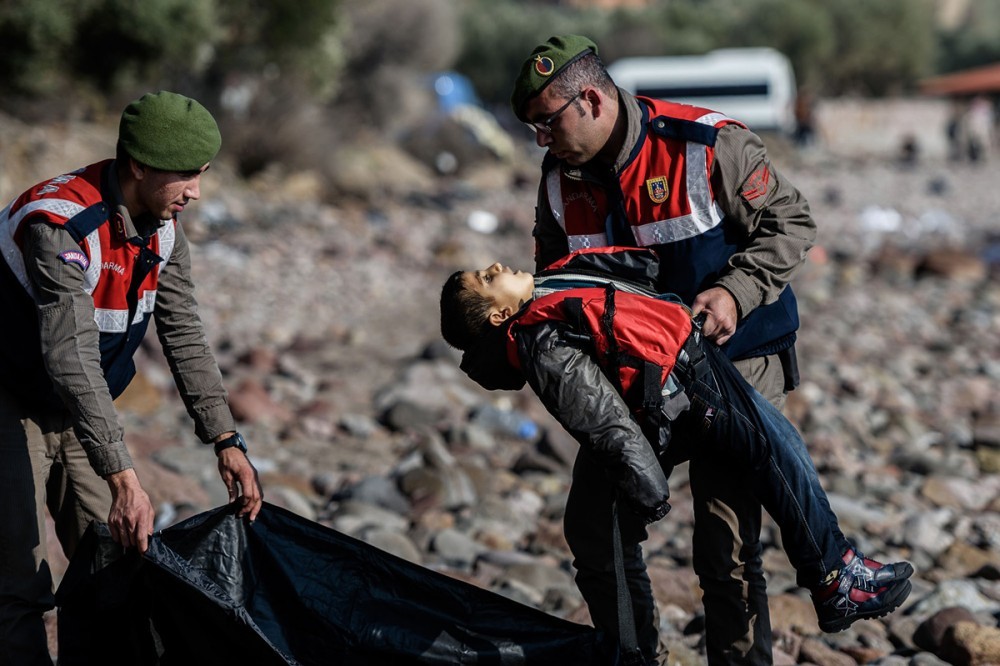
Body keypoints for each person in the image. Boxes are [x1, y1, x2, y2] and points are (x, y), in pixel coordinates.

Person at [439, 247, 914, 665]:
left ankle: (833, 572)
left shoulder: (545, 293)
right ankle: (834, 579)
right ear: (499, 315)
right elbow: (602, 420)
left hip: (692, 361)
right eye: (486, 278)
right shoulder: (542, 341)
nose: (495, 266)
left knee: (779, 448)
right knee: (775, 452)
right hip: (689, 387)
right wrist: (648, 485)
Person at [510, 35, 818, 664]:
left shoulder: (706, 145)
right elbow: (555, 284)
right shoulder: (556, 183)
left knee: (724, 546)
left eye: (547, 122)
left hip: (737, 363)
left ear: (591, 101)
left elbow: (792, 223)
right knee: (595, 528)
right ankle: (632, 657)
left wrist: (734, 291)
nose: (541, 140)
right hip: (638, 378)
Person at [0, 90, 263, 665]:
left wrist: (225, 438)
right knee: (18, 585)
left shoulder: (166, 230)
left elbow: (184, 334)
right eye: (185, 176)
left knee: (118, 563)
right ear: (138, 166)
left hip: (73, 407)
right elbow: (69, 355)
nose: (197, 192)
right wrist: (124, 476)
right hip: (10, 396)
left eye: (203, 175)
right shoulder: (60, 224)